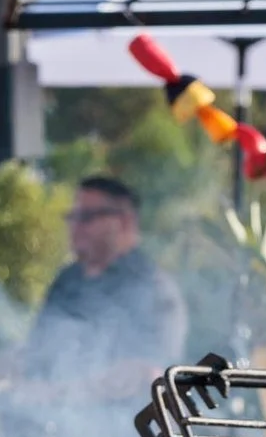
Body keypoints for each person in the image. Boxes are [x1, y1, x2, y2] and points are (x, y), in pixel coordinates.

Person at [15, 176, 189, 420]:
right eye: (73, 217)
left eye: (87, 218)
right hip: (51, 431)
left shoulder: (153, 288)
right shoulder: (67, 281)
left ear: (124, 221)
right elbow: (36, 354)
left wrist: (64, 393)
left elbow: (145, 374)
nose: (75, 227)